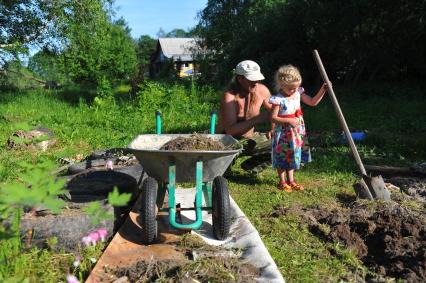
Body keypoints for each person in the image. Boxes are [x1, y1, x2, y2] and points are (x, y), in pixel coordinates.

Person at [269, 64, 328, 192]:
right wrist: (288, 120)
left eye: (295, 88)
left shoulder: (297, 93)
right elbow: (273, 117)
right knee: (283, 156)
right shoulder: (278, 99)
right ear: (281, 84)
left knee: (293, 155)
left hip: (296, 132)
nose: (293, 90)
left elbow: (313, 102)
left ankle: (291, 180)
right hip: (284, 133)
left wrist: (323, 90)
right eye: (290, 88)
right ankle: (282, 181)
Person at [217, 60, 272, 139]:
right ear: (240, 79)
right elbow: (230, 130)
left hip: (249, 138)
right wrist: (257, 119)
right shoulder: (230, 97)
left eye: (257, 79)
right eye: (251, 79)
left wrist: (273, 129)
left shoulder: (262, 90)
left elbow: (276, 111)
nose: (256, 83)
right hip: (226, 141)